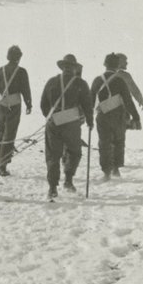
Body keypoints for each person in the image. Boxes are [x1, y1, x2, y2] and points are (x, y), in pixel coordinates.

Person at [39, 54, 94, 200]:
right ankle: (68, 180)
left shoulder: (52, 82)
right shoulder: (81, 83)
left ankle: (52, 188)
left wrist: (52, 117)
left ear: (63, 67)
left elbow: (43, 104)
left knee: (53, 155)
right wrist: (90, 121)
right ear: (74, 68)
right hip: (72, 122)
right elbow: (88, 105)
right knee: (74, 151)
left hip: (53, 121)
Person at [90, 53, 142, 182]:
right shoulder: (120, 80)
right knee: (118, 141)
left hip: (102, 115)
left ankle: (106, 172)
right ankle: (116, 169)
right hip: (119, 116)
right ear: (117, 65)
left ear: (105, 64)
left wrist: (88, 117)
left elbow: (90, 101)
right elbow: (128, 101)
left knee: (104, 143)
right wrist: (136, 117)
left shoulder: (97, 80)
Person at [0, 44, 32, 177]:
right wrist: (29, 104)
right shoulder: (21, 71)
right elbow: (26, 89)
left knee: (1, 131)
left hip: (0, 104)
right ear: (19, 57)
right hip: (14, 104)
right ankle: (3, 166)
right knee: (9, 135)